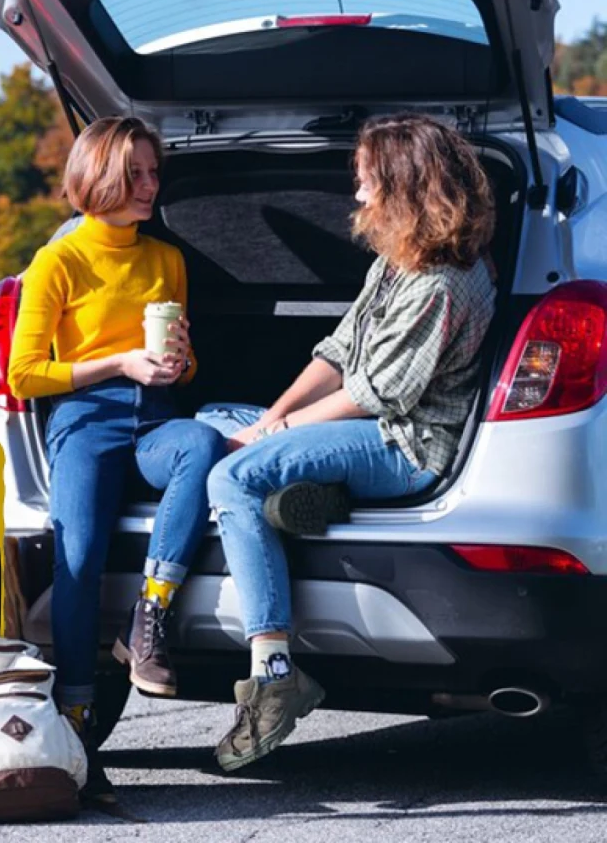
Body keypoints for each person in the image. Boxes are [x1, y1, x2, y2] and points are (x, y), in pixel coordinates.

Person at [197, 113, 498, 772]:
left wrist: (273, 436)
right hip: (364, 425)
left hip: (405, 446)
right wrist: (272, 415)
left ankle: (276, 675)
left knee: (230, 476)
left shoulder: (443, 283)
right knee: (216, 417)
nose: (357, 196)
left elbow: (376, 393)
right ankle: (309, 493)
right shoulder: (397, 263)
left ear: (404, 185)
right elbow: (339, 352)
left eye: (365, 183)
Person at [7, 116, 226, 802]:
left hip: (155, 422)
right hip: (86, 423)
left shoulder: (167, 259)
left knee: (202, 444)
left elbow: (186, 369)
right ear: (95, 175)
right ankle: (76, 732)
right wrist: (117, 364)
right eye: (134, 173)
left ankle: (150, 615)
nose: (148, 185)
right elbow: (24, 374)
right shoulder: (59, 261)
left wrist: (179, 361)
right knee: (78, 561)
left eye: (153, 172)